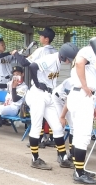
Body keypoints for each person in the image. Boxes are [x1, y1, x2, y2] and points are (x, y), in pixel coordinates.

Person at [20, 42, 77, 170]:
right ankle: (35, 159)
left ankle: (63, 158)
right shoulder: (51, 59)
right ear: (63, 56)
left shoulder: (58, 61)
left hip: (48, 95)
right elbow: (33, 66)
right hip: (37, 94)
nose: (69, 61)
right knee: (37, 127)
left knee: (57, 127)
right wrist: (37, 83)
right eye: (69, 58)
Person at [65, 37, 96, 185]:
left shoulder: (90, 54)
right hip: (82, 95)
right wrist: (85, 85)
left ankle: (79, 169)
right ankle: (79, 173)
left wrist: (93, 106)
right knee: (83, 136)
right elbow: (80, 63)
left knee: (79, 135)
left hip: (82, 97)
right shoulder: (90, 50)